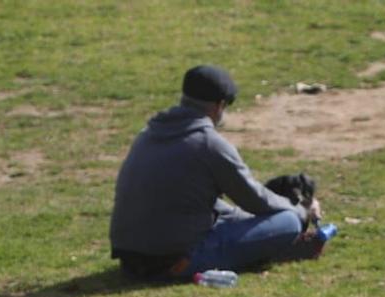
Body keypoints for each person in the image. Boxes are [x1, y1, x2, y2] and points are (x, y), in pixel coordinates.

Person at [109, 64, 330, 281]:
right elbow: (255, 200)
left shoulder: (148, 134)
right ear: (219, 106)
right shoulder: (209, 144)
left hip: (131, 263)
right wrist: (302, 211)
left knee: (225, 211)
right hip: (173, 263)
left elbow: (207, 203)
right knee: (288, 222)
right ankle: (275, 250)